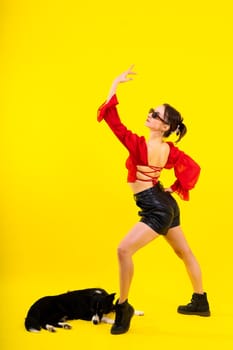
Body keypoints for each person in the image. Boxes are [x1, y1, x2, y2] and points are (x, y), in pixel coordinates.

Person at [97, 66, 210, 335]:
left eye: (155, 115)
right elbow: (193, 168)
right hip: (165, 203)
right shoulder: (169, 150)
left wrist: (114, 84)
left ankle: (123, 307)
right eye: (151, 110)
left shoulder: (140, 146)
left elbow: (114, 122)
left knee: (123, 251)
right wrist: (174, 187)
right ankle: (200, 300)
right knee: (185, 253)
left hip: (154, 206)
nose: (150, 115)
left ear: (165, 126)